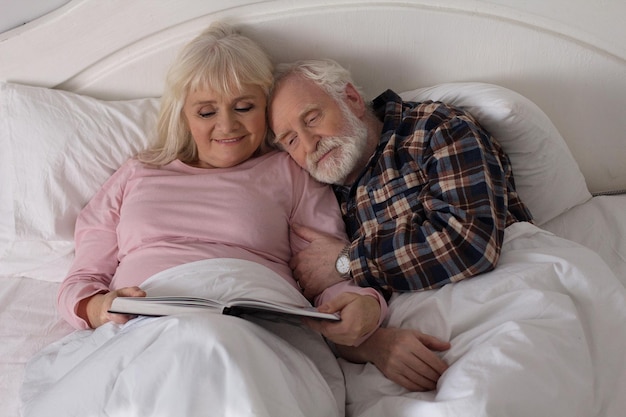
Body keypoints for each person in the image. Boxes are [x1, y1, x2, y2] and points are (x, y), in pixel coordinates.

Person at [20, 25, 387, 417]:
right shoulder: (137, 175)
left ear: (264, 107)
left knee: (211, 345)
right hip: (145, 327)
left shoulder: (289, 171)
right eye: (207, 111)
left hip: (257, 330)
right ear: (184, 114)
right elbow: (80, 282)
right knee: (185, 354)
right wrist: (100, 308)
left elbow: (329, 278)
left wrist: (364, 306)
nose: (227, 126)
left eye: (244, 107)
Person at [268, 59, 534, 391]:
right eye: (291, 140)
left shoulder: (435, 128)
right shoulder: (314, 197)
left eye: (312, 118)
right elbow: (329, 315)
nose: (309, 145)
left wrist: (349, 261)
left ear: (350, 98)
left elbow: (470, 242)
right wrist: (377, 345)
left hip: (501, 302)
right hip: (406, 344)